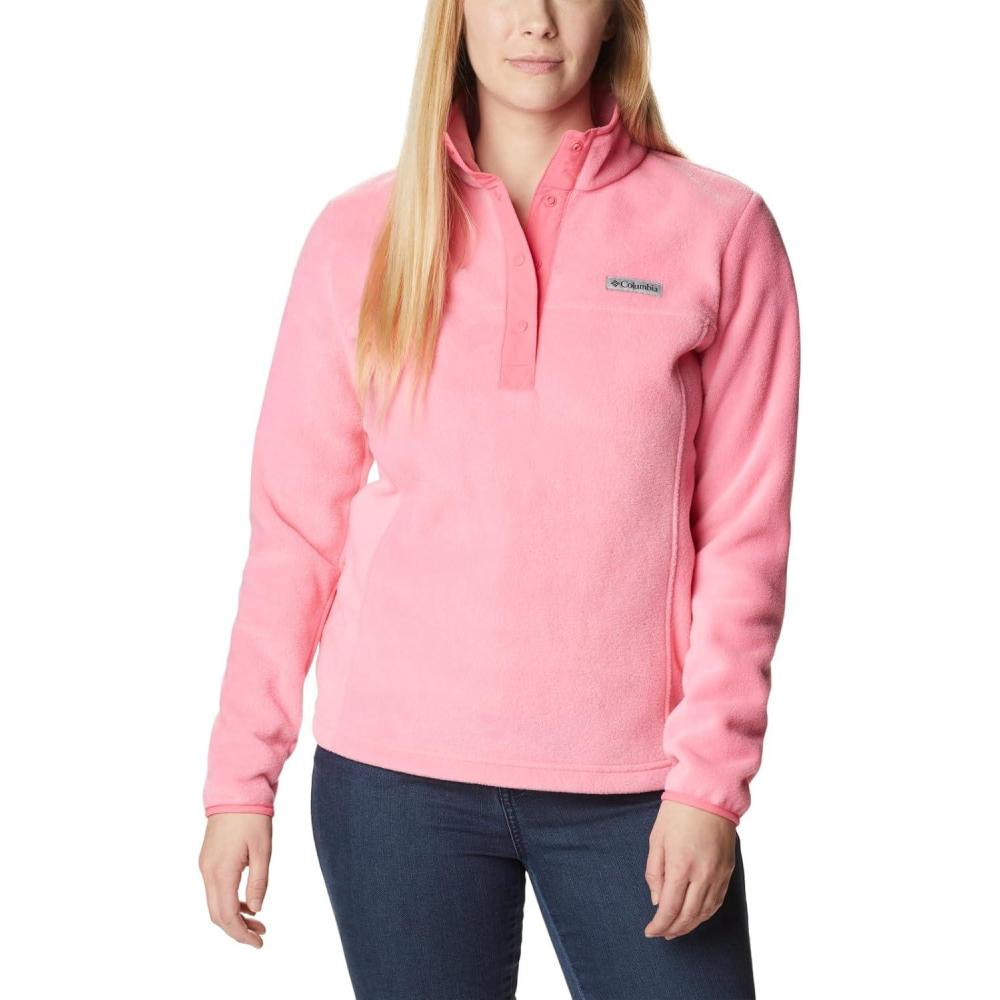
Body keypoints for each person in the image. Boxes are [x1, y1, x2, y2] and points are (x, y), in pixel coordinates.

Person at [198, 1, 800, 997]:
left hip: (640, 789)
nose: (535, 20)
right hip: (393, 783)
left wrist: (710, 784)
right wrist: (239, 781)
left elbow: (745, 535)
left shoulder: (719, 230)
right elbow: (295, 534)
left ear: (614, 13)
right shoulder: (358, 235)